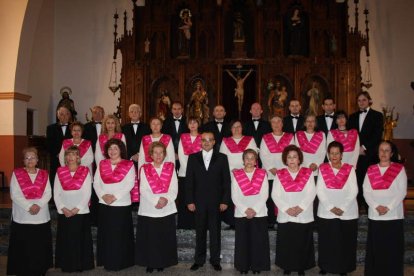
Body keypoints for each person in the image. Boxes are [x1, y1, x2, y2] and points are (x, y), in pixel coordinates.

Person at [186, 132, 231, 272]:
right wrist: (189, 200)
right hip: (198, 202)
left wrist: (225, 200)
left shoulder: (222, 158)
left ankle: (215, 260)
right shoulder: (193, 158)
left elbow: (226, 181)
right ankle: (198, 260)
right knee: (199, 231)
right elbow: (189, 181)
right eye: (204, 140)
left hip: (216, 202)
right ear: (200, 142)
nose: (206, 142)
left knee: (215, 232)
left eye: (209, 140)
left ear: (214, 142)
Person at [7, 147, 53, 275]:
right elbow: (14, 194)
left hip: (40, 216)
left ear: (37, 160)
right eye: (27, 158)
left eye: (32, 157)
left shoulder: (44, 174)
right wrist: (29, 206)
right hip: (23, 217)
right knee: (23, 247)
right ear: (23, 161)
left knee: (39, 247)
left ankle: (40, 269)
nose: (30, 160)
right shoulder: (17, 174)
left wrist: (38, 205)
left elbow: (48, 193)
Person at [363, 141, 406, 276]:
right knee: (377, 248)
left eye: (387, 150)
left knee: (393, 248)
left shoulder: (399, 169)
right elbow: (366, 191)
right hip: (376, 215)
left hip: (393, 215)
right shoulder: (371, 169)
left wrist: (388, 207)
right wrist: (377, 207)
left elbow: (402, 192)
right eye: (381, 150)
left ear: (392, 153)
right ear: (378, 152)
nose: (384, 153)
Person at [271, 145, 316, 275]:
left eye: (294, 157)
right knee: (287, 242)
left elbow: (311, 192)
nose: (292, 159)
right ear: (285, 159)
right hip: (286, 214)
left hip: (303, 213)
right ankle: (287, 266)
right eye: (289, 157)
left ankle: (301, 267)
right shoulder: (280, 174)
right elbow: (275, 194)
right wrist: (287, 209)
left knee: (302, 241)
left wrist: (300, 207)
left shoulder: (307, 173)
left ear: (299, 159)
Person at [316, 141, 358, 275]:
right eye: (331, 153)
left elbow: (353, 190)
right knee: (327, 241)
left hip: (347, 212)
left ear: (341, 155)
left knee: (345, 241)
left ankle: (344, 268)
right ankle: (325, 266)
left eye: (337, 153)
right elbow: (320, 190)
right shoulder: (322, 168)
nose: (334, 156)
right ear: (328, 154)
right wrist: (331, 207)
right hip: (326, 212)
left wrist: (343, 207)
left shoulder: (350, 169)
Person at [93, 138, 135, 271]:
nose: (112, 151)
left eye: (115, 148)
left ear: (121, 150)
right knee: (106, 234)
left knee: (120, 235)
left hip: (121, 204)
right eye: (110, 149)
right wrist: (103, 196)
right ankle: (107, 260)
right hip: (104, 203)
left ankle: (121, 262)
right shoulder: (102, 163)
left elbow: (129, 184)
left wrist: (114, 197)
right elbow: (96, 182)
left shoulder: (128, 164)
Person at [136, 142, 178, 272]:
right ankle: (150, 263)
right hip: (149, 208)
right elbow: (143, 189)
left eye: (161, 152)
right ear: (151, 155)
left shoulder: (170, 167)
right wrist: (156, 200)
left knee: (164, 237)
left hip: (167, 207)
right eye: (156, 152)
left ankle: (162, 262)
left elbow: (174, 188)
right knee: (150, 238)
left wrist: (166, 199)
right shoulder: (144, 168)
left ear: (165, 154)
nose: (158, 155)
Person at [54, 146, 94, 272]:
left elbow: (87, 192)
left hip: (80, 211)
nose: (71, 157)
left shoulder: (85, 170)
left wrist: (77, 209)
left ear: (78, 157)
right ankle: (67, 265)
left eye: (74, 155)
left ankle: (80, 265)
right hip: (65, 212)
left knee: (80, 239)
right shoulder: (60, 171)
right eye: (68, 155)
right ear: (65, 157)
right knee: (66, 239)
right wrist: (63, 208)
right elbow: (56, 192)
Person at [231, 149, 270, 274]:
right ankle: (243, 266)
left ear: (256, 161)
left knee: (258, 241)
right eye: (247, 158)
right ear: (243, 160)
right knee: (243, 242)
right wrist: (245, 210)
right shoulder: (236, 174)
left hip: (259, 212)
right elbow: (234, 195)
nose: (249, 160)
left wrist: (254, 210)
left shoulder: (262, 173)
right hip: (241, 213)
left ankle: (257, 266)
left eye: (252, 158)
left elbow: (264, 194)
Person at [349, 91, 384, 208]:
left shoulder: (377, 115)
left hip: (370, 154)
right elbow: (350, 135)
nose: (361, 102)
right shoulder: (352, 117)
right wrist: (355, 149)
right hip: (356, 155)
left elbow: (377, 135)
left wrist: (363, 147)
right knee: (357, 182)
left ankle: (371, 208)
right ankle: (358, 208)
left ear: (369, 101)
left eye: (364, 100)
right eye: (359, 100)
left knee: (369, 182)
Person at [220, 120, 258, 228]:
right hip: (230, 173)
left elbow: (253, 155)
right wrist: (232, 169)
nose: (236, 129)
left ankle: (246, 216)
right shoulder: (226, 141)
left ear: (242, 128)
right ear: (230, 129)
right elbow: (223, 158)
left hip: (247, 172)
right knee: (232, 195)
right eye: (234, 127)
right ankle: (230, 221)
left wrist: (243, 170)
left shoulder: (249, 139)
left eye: (239, 126)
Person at [260, 115, 295, 227]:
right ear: (271, 124)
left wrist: (284, 169)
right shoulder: (266, 137)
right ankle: (270, 220)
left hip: (285, 172)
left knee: (284, 196)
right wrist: (271, 168)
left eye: (278, 122)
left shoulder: (289, 137)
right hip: (270, 173)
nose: (276, 124)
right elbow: (263, 154)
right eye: (273, 122)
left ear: (282, 123)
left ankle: (284, 218)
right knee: (270, 197)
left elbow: (292, 153)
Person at [177, 117, 202, 229]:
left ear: (198, 124)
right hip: (184, 173)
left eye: (195, 122)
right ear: (187, 125)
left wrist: (196, 171)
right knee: (185, 198)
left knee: (198, 198)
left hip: (199, 173)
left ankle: (198, 223)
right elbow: (181, 155)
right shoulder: (183, 137)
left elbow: (203, 156)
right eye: (190, 123)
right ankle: (184, 223)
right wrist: (189, 170)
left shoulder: (202, 137)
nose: (192, 125)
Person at [46, 106, 72, 184]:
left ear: (69, 115)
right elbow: (49, 143)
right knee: (55, 177)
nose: (64, 116)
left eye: (66, 114)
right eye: (61, 114)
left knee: (69, 177)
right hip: (55, 157)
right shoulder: (51, 128)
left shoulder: (74, 127)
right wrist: (58, 154)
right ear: (58, 116)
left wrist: (70, 154)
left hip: (70, 157)